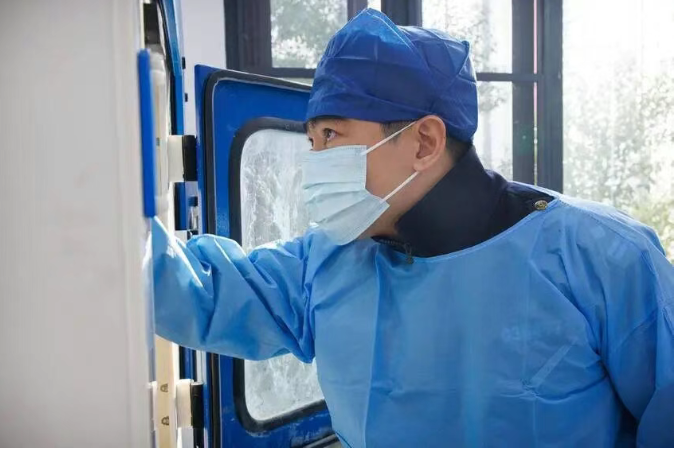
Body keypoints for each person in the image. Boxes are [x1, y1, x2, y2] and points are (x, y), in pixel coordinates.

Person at [152, 8, 674, 447]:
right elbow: (190, 291)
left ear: (424, 141)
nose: (315, 163)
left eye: (331, 135)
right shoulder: (327, 261)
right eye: (311, 142)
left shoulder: (603, 258)